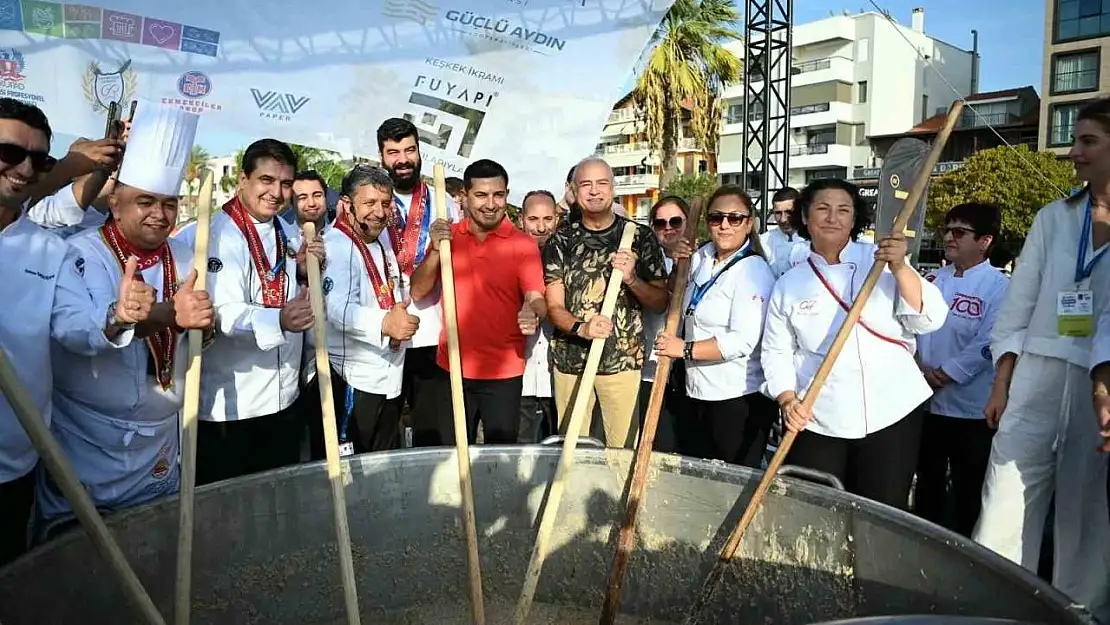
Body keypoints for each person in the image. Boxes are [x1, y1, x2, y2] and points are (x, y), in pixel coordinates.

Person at [35, 102, 215, 540]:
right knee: (74, 570)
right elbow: (72, 331)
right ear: (114, 203)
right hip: (86, 445)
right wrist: (120, 317)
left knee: (153, 560)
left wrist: (204, 328)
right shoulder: (79, 252)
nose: (159, 214)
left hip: (159, 448)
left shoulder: (186, 256)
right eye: (146, 201)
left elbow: (194, 333)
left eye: (169, 204)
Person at [975, 98, 1110, 621]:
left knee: (1087, 511)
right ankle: (994, 608)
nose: (1074, 152)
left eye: (1088, 142)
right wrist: (1002, 383)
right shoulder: (1054, 217)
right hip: (1034, 373)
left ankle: (1083, 614)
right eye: (1075, 140)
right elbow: (1018, 304)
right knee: (1005, 500)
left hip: (1096, 386)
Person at [0, 98, 142, 565]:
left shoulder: (46, 249)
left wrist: (116, 318)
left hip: (16, 462)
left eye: (37, 160)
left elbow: (71, 327)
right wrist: (71, 164)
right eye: (9, 153)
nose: (23, 169)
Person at [761, 178, 947, 508]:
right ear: (805, 216)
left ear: (854, 218)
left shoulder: (881, 259)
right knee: (818, 510)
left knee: (883, 510)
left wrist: (901, 267)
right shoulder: (790, 283)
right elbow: (776, 350)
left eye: (843, 210)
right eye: (823, 208)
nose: (833, 217)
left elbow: (929, 318)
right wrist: (787, 399)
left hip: (892, 410)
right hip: (820, 414)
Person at [198, 138, 324, 485]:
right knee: (230, 508)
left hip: (285, 397)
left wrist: (304, 271)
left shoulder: (287, 230)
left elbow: (290, 283)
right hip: (234, 405)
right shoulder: (213, 236)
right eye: (266, 181)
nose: (276, 193)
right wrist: (278, 319)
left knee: (278, 500)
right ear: (243, 180)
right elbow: (220, 313)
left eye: (285, 184)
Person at [411, 159, 546, 444]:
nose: (490, 204)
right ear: (466, 197)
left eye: (498, 195)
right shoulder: (448, 237)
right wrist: (436, 250)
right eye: (481, 195)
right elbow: (418, 291)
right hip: (453, 368)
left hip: (504, 371)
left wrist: (531, 310)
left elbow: (536, 296)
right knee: (452, 457)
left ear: (507, 196)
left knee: (500, 460)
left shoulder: (523, 243)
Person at [542, 156, 668, 448]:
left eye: (602, 183)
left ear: (613, 189)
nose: (595, 191)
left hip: (622, 363)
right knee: (573, 453)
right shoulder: (560, 241)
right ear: (574, 191)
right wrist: (581, 328)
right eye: (586, 184)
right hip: (571, 363)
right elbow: (554, 307)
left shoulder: (639, 237)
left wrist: (632, 278)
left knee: (621, 452)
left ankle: (618, 497)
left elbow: (660, 301)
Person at [655, 186, 777, 465]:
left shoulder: (754, 270)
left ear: (749, 224)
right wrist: (678, 262)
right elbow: (674, 296)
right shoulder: (703, 256)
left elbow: (742, 341)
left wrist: (684, 349)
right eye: (716, 217)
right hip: (695, 390)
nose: (724, 225)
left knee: (728, 481)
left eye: (734, 218)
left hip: (735, 397)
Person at [913, 203, 1009, 537]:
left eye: (959, 232)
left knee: (969, 490)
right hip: (925, 403)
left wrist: (944, 375)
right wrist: (919, 374)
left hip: (971, 409)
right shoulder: (929, 280)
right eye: (947, 230)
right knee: (928, 485)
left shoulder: (999, 286)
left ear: (984, 241)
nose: (949, 238)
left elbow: (989, 342)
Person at [317, 165, 417, 457]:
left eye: (385, 204)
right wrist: (385, 323)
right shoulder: (337, 244)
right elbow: (336, 308)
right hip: (356, 380)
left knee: (383, 462)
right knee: (356, 468)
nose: (379, 212)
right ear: (347, 205)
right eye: (369, 203)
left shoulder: (380, 238)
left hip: (388, 374)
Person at [375, 118, 461, 447]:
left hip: (432, 334)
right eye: (393, 152)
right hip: (384, 333)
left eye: (409, 150)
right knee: (385, 432)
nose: (402, 159)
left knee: (434, 432)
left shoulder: (444, 203)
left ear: (419, 152)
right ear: (382, 156)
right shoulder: (369, 204)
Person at [640, 195, 688, 452]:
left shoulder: (705, 258)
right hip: (652, 366)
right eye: (660, 223)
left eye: (675, 221)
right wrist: (675, 269)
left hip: (688, 370)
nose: (668, 228)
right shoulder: (646, 261)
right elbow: (660, 300)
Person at [518, 189, 560, 443]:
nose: (541, 227)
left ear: (557, 218)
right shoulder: (508, 257)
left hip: (558, 378)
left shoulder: (568, 257)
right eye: (534, 220)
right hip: (520, 378)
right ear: (522, 219)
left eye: (547, 219)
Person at [760, 187, 806, 277]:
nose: (783, 219)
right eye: (778, 213)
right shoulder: (763, 242)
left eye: (789, 212)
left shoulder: (814, 241)